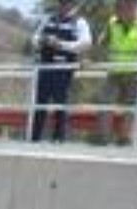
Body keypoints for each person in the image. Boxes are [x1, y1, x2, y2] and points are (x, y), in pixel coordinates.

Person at [96, 0, 137, 144]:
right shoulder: (112, 22)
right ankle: (102, 138)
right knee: (105, 101)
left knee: (131, 106)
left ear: (134, 6)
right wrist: (90, 57)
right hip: (115, 71)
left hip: (136, 72)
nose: (120, 8)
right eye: (118, 6)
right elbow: (102, 42)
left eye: (125, 5)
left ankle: (124, 139)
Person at [29, 0, 93, 142]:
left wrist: (60, 44)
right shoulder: (48, 19)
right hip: (45, 68)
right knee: (40, 103)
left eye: (67, 3)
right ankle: (35, 138)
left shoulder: (79, 22)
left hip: (64, 69)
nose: (63, 5)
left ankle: (58, 139)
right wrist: (43, 40)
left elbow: (85, 43)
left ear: (73, 5)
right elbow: (34, 38)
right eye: (61, 2)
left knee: (60, 103)